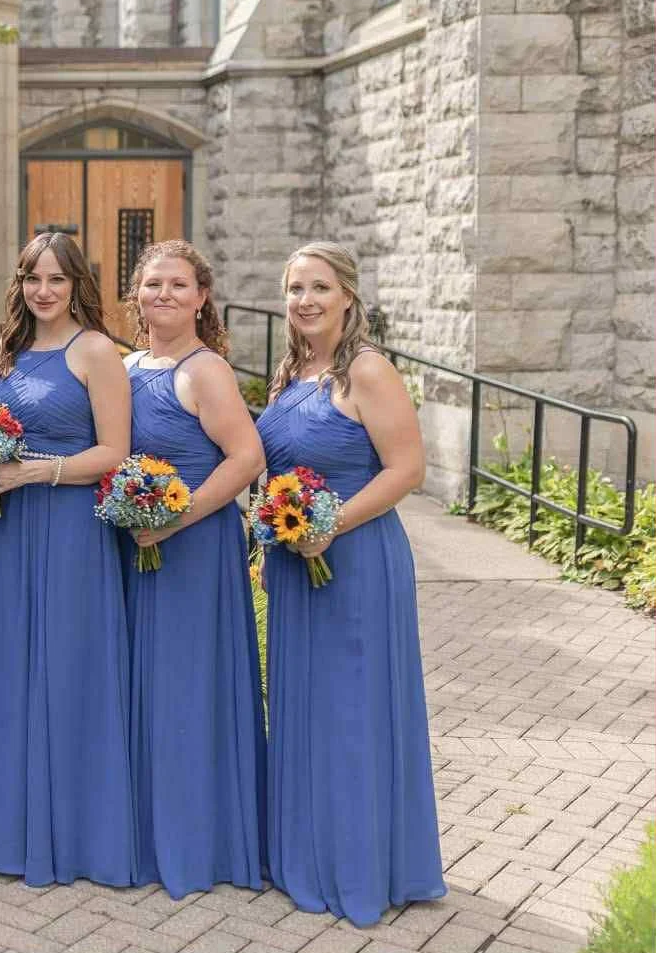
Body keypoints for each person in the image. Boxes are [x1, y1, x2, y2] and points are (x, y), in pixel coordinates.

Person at [255, 241, 445, 925]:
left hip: (356, 562)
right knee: (303, 707)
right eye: (294, 287)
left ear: (349, 298)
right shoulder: (291, 371)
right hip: (293, 563)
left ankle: (361, 864)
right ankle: (305, 851)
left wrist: (330, 523)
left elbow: (407, 469)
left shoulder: (367, 369)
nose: (304, 299)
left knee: (353, 711)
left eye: (319, 287)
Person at [0, 231, 136, 886]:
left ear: (78, 283)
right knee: (9, 670)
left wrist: (36, 473)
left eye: (57, 278)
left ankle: (74, 835)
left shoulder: (96, 351)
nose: (44, 290)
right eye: (33, 278)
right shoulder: (13, 348)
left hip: (71, 531)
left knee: (67, 670)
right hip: (10, 532)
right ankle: (3, 827)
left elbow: (114, 451)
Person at [119, 240, 267, 898]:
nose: (165, 295)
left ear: (203, 296)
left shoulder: (206, 371)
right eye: (153, 284)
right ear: (137, 294)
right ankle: (144, 833)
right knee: (141, 688)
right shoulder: (124, 367)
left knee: (189, 692)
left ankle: (197, 841)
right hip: (136, 551)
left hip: (196, 552)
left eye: (179, 284)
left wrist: (177, 518)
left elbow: (246, 458)